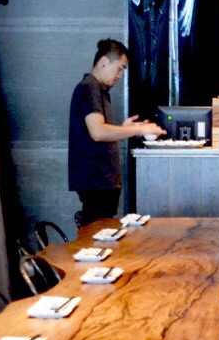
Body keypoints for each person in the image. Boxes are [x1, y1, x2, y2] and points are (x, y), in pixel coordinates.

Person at [68, 39, 163, 226]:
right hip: (95, 182)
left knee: (103, 233)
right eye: (119, 69)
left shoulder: (98, 90)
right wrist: (138, 129)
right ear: (104, 61)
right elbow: (98, 132)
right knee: (97, 236)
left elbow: (99, 131)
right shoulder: (90, 88)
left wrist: (126, 128)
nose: (120, 76)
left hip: (101, 183)